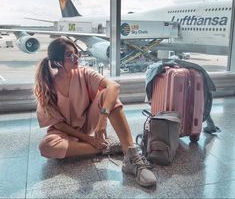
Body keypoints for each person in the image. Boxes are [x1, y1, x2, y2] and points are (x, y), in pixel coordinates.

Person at [34, 37, 156, 188]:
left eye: (76, 53)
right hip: (63, 132)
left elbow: (114, 87)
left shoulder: (84, 73)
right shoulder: (47, 86)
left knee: (108, 96)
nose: (76, 57)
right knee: (46, 146)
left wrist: (103, 119)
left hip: (88, 122)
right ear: (58, 61)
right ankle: (107, 147)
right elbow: (58, 125)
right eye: (70, 55)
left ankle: (132, 157)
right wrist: (88, 139)